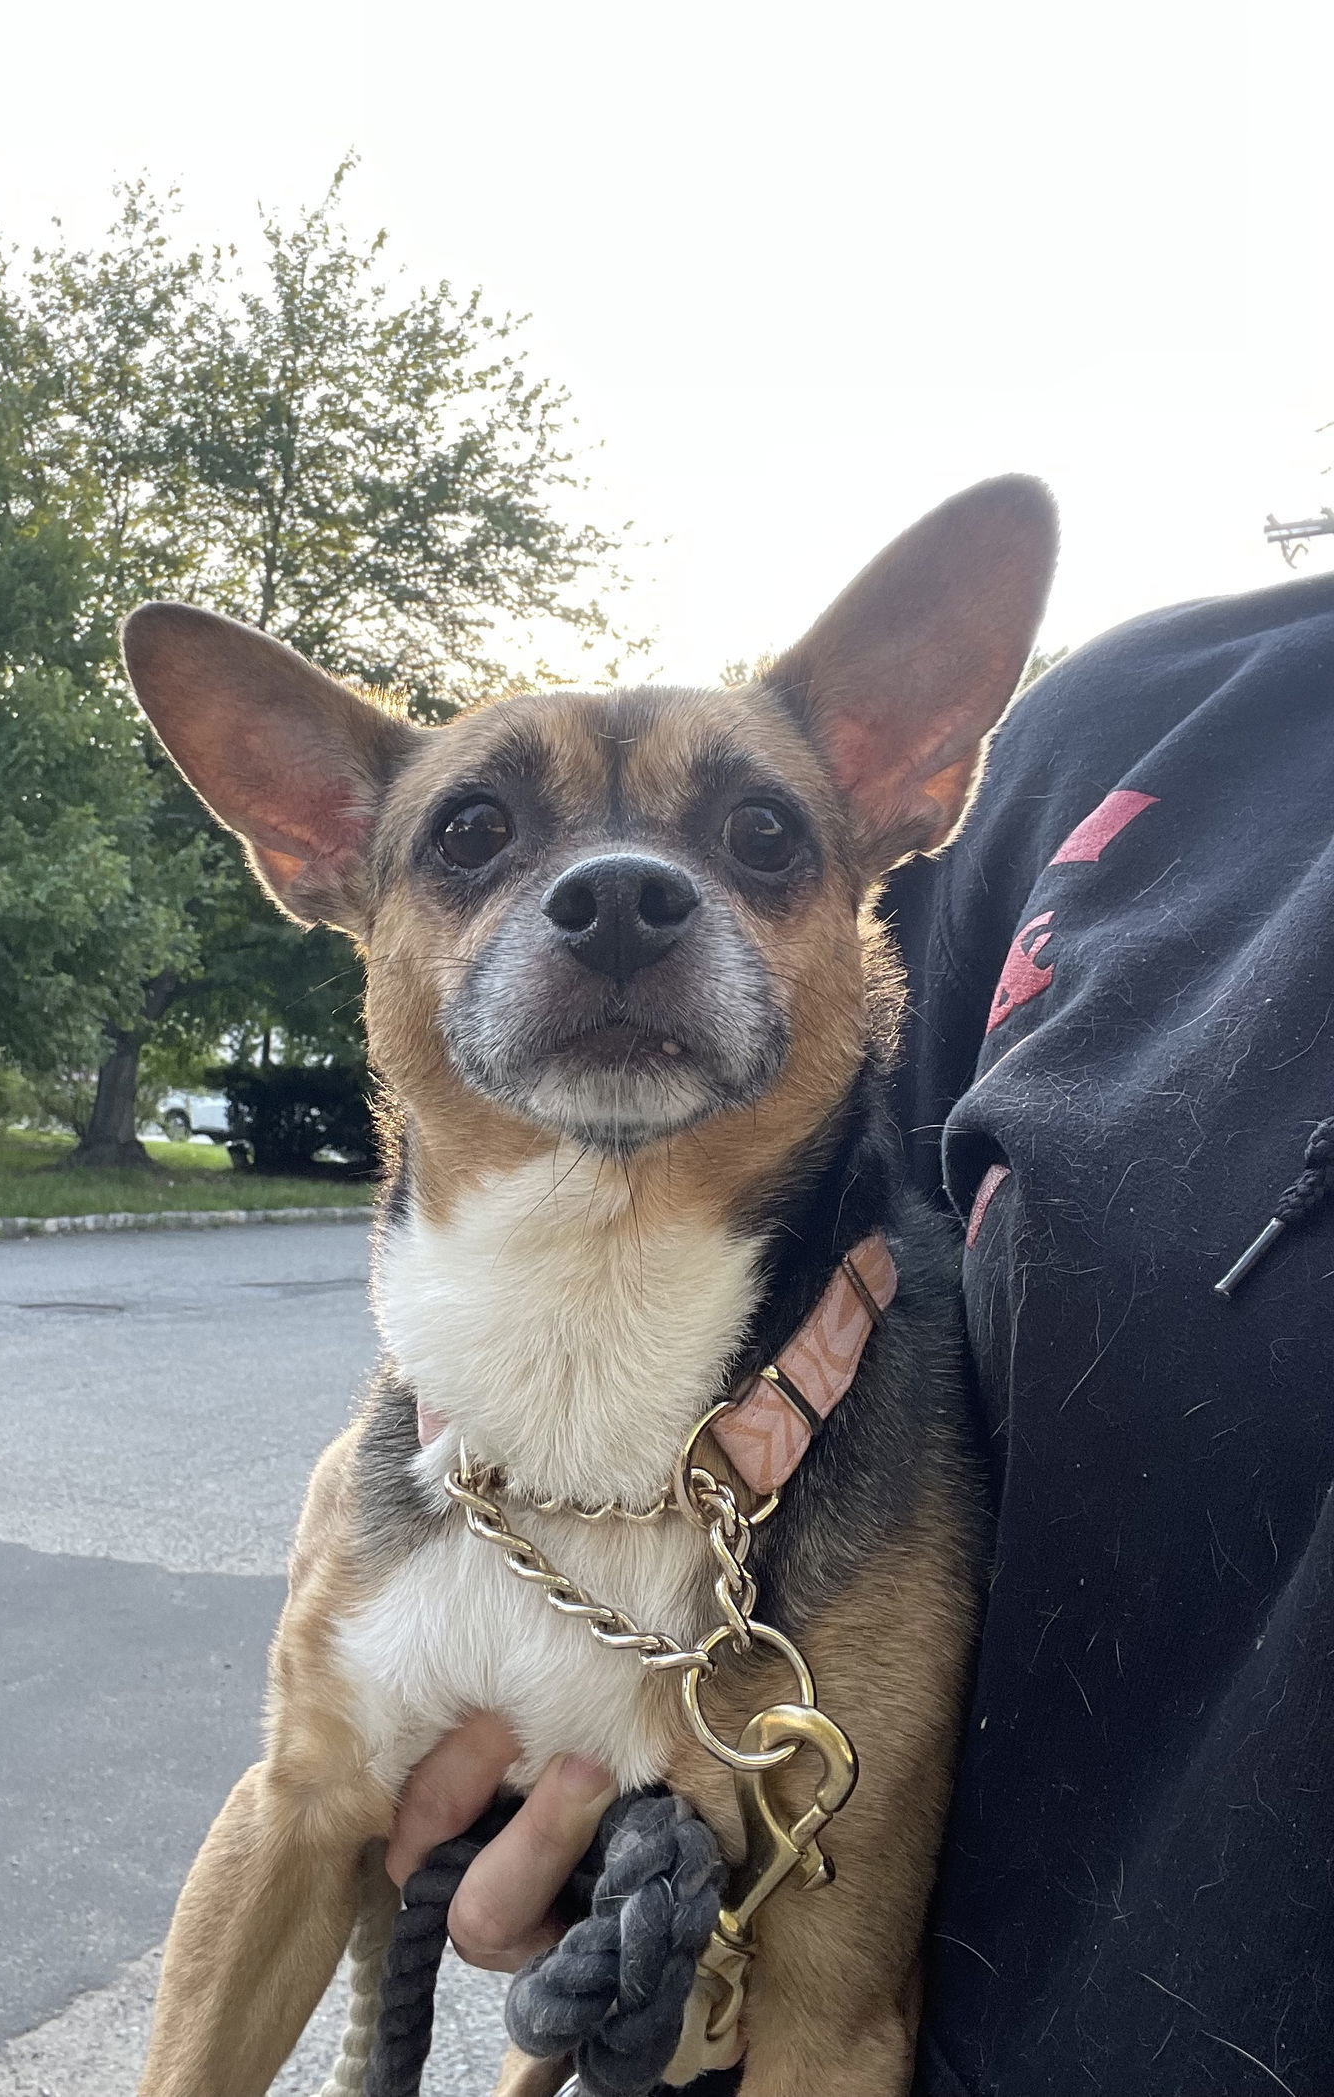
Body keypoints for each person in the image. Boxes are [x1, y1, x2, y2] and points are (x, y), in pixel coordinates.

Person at [385, 567, 1334, 2097]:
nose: (623, 887)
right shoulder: (1145, 718)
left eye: (756, 838)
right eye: (480, 837)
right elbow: (861, 1191)